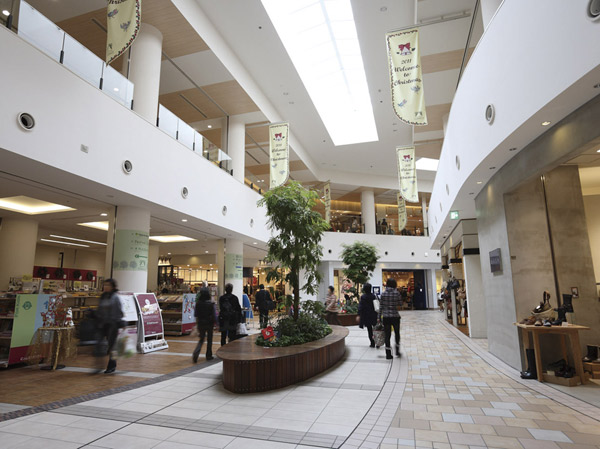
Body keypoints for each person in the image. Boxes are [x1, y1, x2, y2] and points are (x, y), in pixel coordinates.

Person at [94, 278, 123, 374]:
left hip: (112, 325)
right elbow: (100, 309)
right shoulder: (103, 296)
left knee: (112, 346)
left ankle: (111, 365)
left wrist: (116, 321)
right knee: (99, 344)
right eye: (105, 285)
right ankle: (98, 365)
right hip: (102, 324)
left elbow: (119, 311)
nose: (105, 287)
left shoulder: (115, 297)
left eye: (108, 285)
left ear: (112, 287)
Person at [380, 278, 402, 359]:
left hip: (386, 316)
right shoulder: (397, 293)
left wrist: (379, 317)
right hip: (395, 316)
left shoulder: (383, 294)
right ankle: (397, 350)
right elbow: (400, 304)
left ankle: (388, 354)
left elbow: (381, 307)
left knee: (387, 335)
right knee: (397, 333)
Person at [193, 287, 216, 362]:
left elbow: (196, 315)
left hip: (201, 323)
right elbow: (214, 315)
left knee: (201, 339)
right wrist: (216, 323)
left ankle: (196, 352)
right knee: (209, 340)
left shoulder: (198, 303)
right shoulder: (211, 304)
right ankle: (208, 355)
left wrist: (197, 324)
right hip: (209, 324)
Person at [358, 283, 378, 347]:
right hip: (374, 314)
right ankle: (377, 341)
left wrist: (359, 314)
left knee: (369, 330)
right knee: (375, 329)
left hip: (367, 315)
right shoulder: (374, 296)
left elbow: (361, 307)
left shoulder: (363, 297)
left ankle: (372, 343)